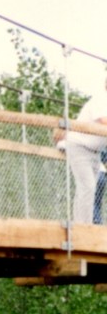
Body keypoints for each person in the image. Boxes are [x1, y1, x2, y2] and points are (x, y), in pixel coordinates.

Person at [63, 78, 107, 225]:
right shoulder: (101, 99)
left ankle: (80, 224)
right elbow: (104, 121)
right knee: (87, 186)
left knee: (88, 189)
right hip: (79, 146)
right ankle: (83, 227)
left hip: (94, 152)